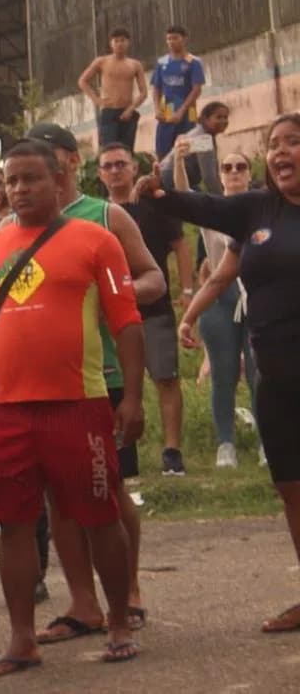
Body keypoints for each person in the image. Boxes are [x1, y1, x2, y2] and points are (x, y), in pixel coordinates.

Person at [0, 138, 146, 677]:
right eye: (10, 181)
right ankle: (21, 638)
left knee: (99, 516)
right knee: (12, 524)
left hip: (78, 406)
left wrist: (133, 396)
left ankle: (120, 622)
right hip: (4, 410)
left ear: (58, 180)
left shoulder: (95, 240)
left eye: (30, 178)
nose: (18, 189)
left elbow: (126, 320)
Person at [136, 112, 300, 632]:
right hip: (274, 378)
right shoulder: (256, 208)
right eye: (273, 145)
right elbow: (202, 205)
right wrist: (158, 191)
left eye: (293, 142)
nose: (280, 152)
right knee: (293, 486)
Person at [21, 123, 163, 644]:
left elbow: (153, 279)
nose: (40, 173)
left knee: (111, 489)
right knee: (58, 497)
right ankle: (82, 603)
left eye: (50, 160)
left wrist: (109, 294)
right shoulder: (17, 224)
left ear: (70, 162)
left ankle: (127, 594)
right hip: (39, 383)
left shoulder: (106, 216)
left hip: (100, 373)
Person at [99, 143, 192, 473]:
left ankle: (171, 451)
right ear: (99, 174)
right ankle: (122, 454)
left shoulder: (154, 206)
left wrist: (189, 289)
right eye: (108, 166)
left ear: (133, 168)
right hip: (110, 317)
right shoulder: (97, 215)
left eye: (120, 164)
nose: (115, 171)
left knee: (165, 377)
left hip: (154, 308)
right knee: (116, 387)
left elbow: (180, 246)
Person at [176, 153, 261, 467]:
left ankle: (268, 443)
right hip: (219, 297)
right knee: (223, 374)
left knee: (258, 374)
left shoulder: (261, 208)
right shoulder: (213, 211)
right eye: (228, 167)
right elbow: (185, 196)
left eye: (241, 166)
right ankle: (226, 444)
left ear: (250, 174)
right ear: (220, 175)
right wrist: (181, 160)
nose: (235, 172)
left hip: (255, 296)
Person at [78, 27, 149, 151]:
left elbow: (143, 92)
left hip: (127, 112)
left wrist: (131, 108)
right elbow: (82, 81)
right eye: (116, 41)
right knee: (109, 150)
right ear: (111, 43)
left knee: (127, 151)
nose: (119, 44)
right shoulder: (102, 61)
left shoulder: (135, 64)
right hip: (109, 112)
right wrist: (97, 100)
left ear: (128, 42)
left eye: (122, 40)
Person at [151, 25, 206, 159]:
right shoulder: (162, 62)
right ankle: (165, 176)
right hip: (168, 109)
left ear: (184, 39)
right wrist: (157, 109)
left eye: (175, 38)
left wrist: (182, 111)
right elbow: (156, 88)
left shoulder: (193, 62)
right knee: (164, 147)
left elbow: (196, 89)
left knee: (190, 146)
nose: (171, 42)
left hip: (188, 109)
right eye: (169, 39)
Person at [160, 101, 230, 195]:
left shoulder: (200, 133)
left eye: (225, 117)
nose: (223, 121)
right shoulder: (202, 139)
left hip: (177, 181)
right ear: (205, 119)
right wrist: (223, 202)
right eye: (219, 117)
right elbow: (209, 177)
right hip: (170, 183)